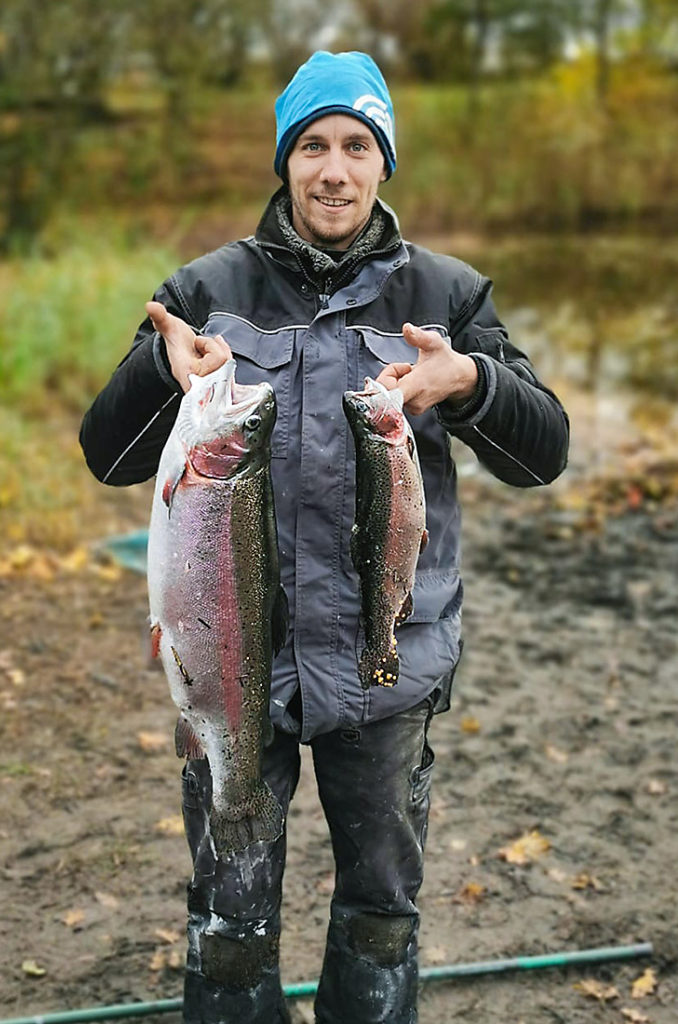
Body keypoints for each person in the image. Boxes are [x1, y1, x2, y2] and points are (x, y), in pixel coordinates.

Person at [80, 50, 569, 1024]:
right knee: (230, 921)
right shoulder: (206, 288)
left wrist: (472, 382)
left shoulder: (448, 296)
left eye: (356, 145)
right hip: (236, 667)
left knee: (383, 914)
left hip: (391, 667)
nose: (333, 169)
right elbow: (110, 454)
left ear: (385, 161)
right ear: (285, 161)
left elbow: (543, 452)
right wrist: (159, 370)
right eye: (312, 146)